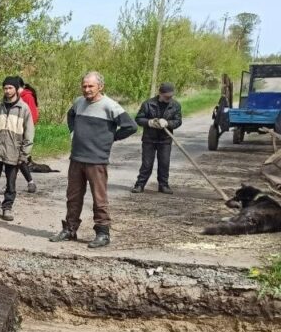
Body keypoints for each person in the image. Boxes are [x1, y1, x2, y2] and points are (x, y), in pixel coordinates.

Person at [50, 71, 138, 248]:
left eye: (91, 86)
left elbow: (131, 126)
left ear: (100, 86)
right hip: (76, 157)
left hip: (97, 159)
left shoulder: (110, 106)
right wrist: (73, 131)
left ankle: (103, 233)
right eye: (84, 86)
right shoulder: (79, 102)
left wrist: (111, 137)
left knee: (99, 198)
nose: (87, 89)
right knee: (73, 196)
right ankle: (70, 229)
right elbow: (71, 115)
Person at [0, 77, 35, 222]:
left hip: (14, 151)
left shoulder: (24, 109)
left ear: (16, 89)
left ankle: (7, 207)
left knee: (11, 182)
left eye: (10, 88)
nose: (7, 90)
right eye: (5, 88)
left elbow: (29, 134)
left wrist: (24, 154)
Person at [132, 82, 183, 194]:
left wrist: (168, 123)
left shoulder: (175, 105)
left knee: (164, 163)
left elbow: (178, 121)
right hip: (149, 139)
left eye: (171, 96)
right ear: (160, 93)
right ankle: (139, 185)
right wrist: (149, 122)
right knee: (147, 163)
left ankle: (163, 185)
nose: (169, 98)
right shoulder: (148, 104)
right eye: (166, 96)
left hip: (165, 139)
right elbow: (139, 119)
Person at [15, 77, 40, 193]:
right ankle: (30, 183)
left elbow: (33, 116)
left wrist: (27, 132)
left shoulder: (27, 97)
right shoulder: (16, 98)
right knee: (17, 159)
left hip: (24, 133)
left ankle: (30, 183)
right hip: (15, 132)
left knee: (20, 159)